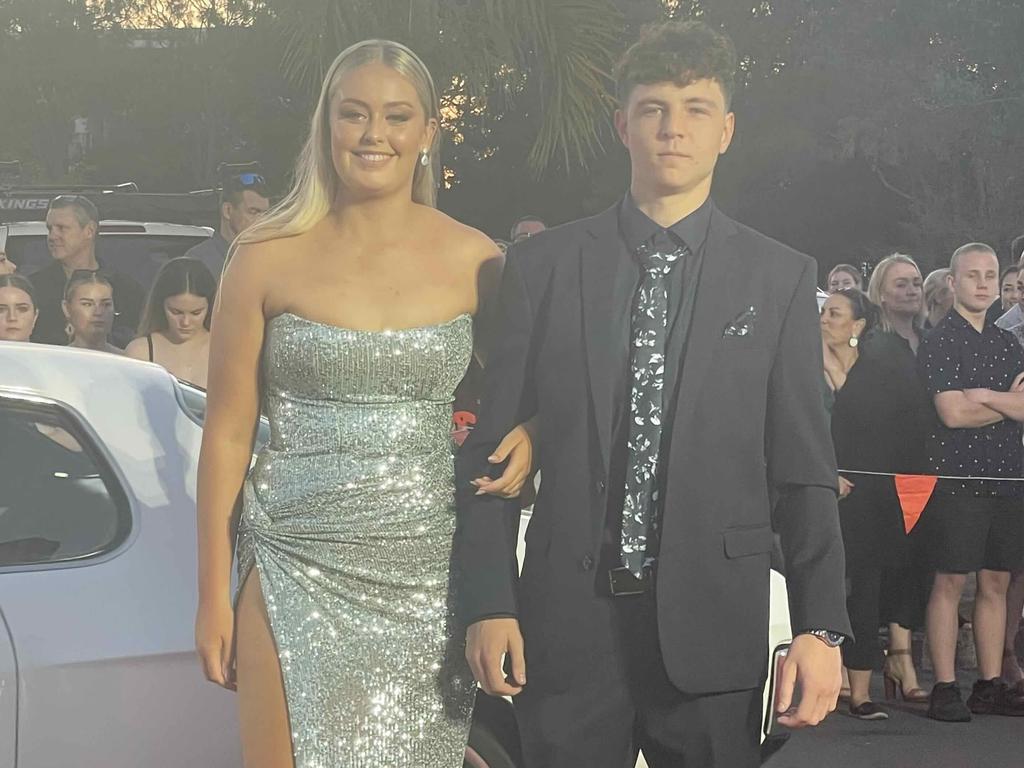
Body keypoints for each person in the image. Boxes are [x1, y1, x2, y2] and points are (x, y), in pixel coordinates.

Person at [455, 21, 849, 768]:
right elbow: (488, 452)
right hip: (565, 628)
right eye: (654, 108)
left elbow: (803, 467)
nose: (674, 128)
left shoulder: (780, 277)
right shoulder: (541, 268)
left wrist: (820, 627)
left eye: (697, 108)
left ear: (726, 130)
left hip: (715, 629)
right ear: (622, 125)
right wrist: (489, 600)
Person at [193, 39, 532, 768]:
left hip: (425, 571)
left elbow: (531, 391)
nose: (374, 134)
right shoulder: (263, 254)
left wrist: (535, 429)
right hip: (289, 558)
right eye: (353, 114)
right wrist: (211, 595)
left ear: (427, 133)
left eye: (395, 116)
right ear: (326, 127)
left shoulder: (479, 260)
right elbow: (225, 434)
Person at [917, 242, 1024, 721]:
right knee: (950, 580)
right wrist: (1003, 402)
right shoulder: (941, 340)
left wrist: (983, 395)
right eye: (973, 275)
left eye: (990, 275)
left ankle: (988, 683)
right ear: (953, 283)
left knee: (997, 581)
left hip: (1007, 475)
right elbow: (952, 413)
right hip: (956, 478)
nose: (983, 284)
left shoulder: (1009, 343)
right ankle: (943, 686)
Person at [821, 289, 930, 719]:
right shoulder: (800, 366)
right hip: (817, 487)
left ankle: (862, 686)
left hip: (868, 491)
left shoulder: (877, 371)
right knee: (828, 585)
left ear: (858, 326)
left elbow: (885, 430)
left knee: (867, 583)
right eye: (823, 312)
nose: (824, 319)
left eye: (835, 313)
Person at [29, 195, 143, 348]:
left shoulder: (126, 289)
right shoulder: (34, 288)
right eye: (50, 229)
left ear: (89, 230)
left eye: (62, 228)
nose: (52, 236)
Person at [125, 257, 216, 388]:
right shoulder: (140, 352)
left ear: (211, 307)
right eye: (176, 312)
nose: (185, 322)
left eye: (196, 313)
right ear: (160, 306)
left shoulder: (226, 350)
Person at [184, 174, 270, 280]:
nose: (263, 221)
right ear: (227, 211)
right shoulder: (198, 261)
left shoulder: (268, 258)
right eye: (253, 212)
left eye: (265, 214)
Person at [867, 253, 924, 354]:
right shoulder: (870, 346)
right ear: (880, 293)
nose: (912, 291)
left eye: (916, 284)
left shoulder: (933, 341)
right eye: (901, 285)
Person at [62, 270, 122, 355]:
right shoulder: (53, 361)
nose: (98, 312)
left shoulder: (128, 361)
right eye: (87, 304)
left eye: (106, 304)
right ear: (66, 308)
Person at [0, 274, 38, 342]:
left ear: (35, 317)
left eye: (22, 309)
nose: (12, 317)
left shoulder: (56, 352)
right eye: (1, 310)